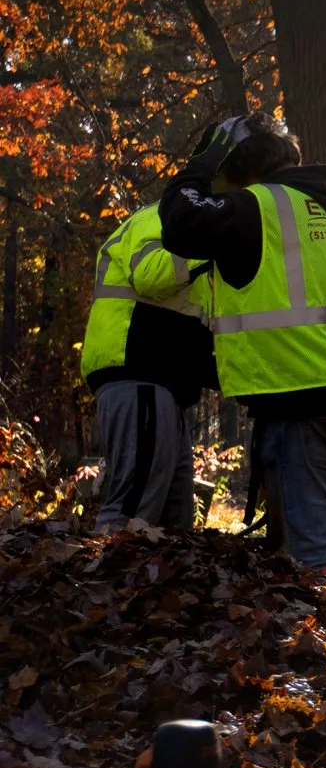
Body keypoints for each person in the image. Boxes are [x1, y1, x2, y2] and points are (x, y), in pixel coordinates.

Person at [158, 112, 326, 570]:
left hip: (303, 401)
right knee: (317, 521)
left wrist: (199, 167)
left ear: (236, 166)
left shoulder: (259, 207)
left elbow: (180, 222)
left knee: (311, 553)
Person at [80, 204, 215, 532]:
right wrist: (217, 243)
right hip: (140, 372)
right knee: (131, 513)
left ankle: (146, 581)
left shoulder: (193, 234)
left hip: (163, 384)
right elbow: (150, 274)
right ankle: (100, 582)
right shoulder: (163, 217)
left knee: (173, 519)